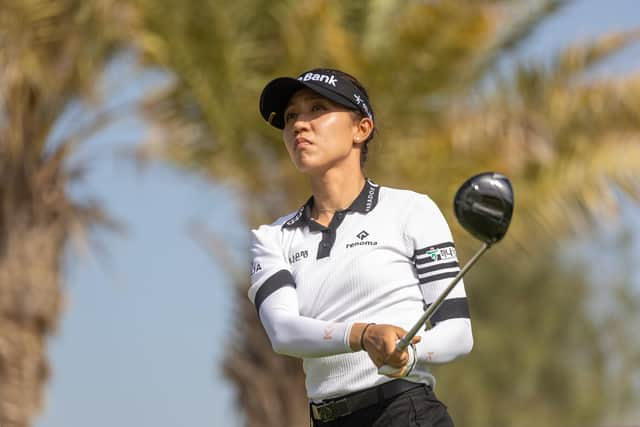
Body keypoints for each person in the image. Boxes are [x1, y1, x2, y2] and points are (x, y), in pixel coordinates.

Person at [248, 68, 473, 426]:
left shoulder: (411, 210)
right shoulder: (272, 237)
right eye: (291, 116)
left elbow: (458, 333)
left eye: (317, 109)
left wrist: (409, 355)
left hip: (404, 414)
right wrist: (363, 335)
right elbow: (283, 331)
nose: (299, 126)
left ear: (361, 129)